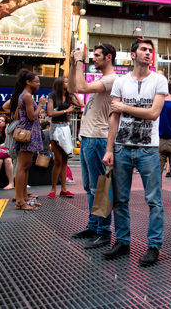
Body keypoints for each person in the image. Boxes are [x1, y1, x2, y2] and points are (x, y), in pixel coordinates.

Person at [102, 38, 168, 266]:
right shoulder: (121, 82)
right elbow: (114, 119)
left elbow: (153, 114)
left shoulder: (159, 80)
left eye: (151, 50)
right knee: (120, 199)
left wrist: (123, 107)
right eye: (143, 50)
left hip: (148, 149)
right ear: (133, 55)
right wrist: (109, 149)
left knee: (154, 201)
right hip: (121, 148)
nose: (149, 53)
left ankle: (153, 246)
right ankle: (123, 241)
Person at [68, 43, 118, 249]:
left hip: (98, 138)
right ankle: (94, 226)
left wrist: (79, 60)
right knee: (91, 188)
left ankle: (104, 231)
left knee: (100, 188)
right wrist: (73, 65)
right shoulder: (102, 79)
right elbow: (72, 87)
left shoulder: (112, 79)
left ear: (108, 58)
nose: (93, 58)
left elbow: (81, 88)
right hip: (88, 137)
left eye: (97, 55)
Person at [10, 69, 46, 211]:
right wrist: (41, 104)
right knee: (23, 167)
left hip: (28, 131)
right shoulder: (28, 96)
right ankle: (20, 200)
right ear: (28, 82)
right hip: (28, 133)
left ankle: (24, 197)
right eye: (36, 81)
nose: (38, 84)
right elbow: (32, 117)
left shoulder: (24, 95)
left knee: (25, 166)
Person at [47, 76, 83, 199]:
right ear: (60, 84)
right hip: (56, 128)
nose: (69, 83)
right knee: (58, 160)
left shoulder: (69, 97)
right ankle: (53, 188)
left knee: (65, 160)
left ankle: (63, 189)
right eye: (67, 82)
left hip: (66, 128)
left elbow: (81, 104)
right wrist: (66, 111)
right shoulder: (52, 96)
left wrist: (74, 93)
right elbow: (50, 113)